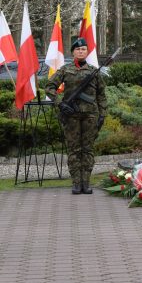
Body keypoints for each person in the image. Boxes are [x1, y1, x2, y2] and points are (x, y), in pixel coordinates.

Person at [45, 38, 107, 194]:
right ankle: (76, 183)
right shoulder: (65, 70)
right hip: (71, 116)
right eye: (78, 49)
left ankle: (86, 183)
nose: (81, 51)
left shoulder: (94, 71)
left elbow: (101, 95)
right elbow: (49, 87)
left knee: (87, 150)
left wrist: (102, 114)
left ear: (87, 52)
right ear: (73, 52)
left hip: (90, 116)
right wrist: (60, 103)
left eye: (84, 49)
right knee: (74, 149)